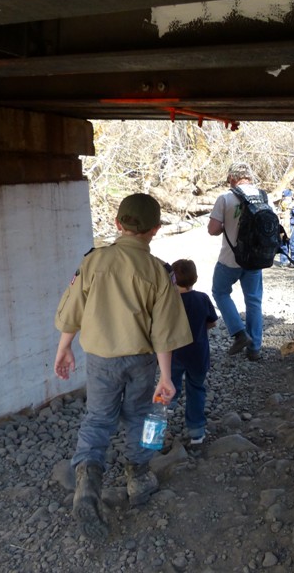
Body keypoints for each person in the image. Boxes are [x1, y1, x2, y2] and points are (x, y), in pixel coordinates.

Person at [53, 193, 193, 540]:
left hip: (100, 360)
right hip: (142, 361)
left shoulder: (93, 261)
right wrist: (165, 375)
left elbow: (73, 309)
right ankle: (140, 477)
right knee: (148, 416)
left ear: (118, 224)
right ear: (155, 230)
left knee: (98, 418)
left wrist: (65, 347)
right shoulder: (159, 271)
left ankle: (86, 483)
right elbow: (164, 331)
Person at [207, 162, 266, 361]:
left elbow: (212, 230)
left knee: (220, 292)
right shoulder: (264, 196)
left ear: (232, 179)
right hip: (256, 260)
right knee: (253, 301)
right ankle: (255, 348)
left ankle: (240, 334)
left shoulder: (225, 198)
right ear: (249, 177)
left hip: (230, 259)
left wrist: (228, 225)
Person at [168, 259, 218, 445]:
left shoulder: (169, 300)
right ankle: (197, 432)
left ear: (172, 279)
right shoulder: (202, 298)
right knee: (196, 389)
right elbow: (212, 322)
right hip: (197, 354)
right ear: (195, 279)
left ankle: (167, 410)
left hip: (173, 354)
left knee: (169, 383)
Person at [278, 188, 294, 267]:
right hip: (290, 227)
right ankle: (293, 261)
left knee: (284, 244)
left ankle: (283, 262)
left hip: (282, 227)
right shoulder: (291, 205)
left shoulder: (280, 204)